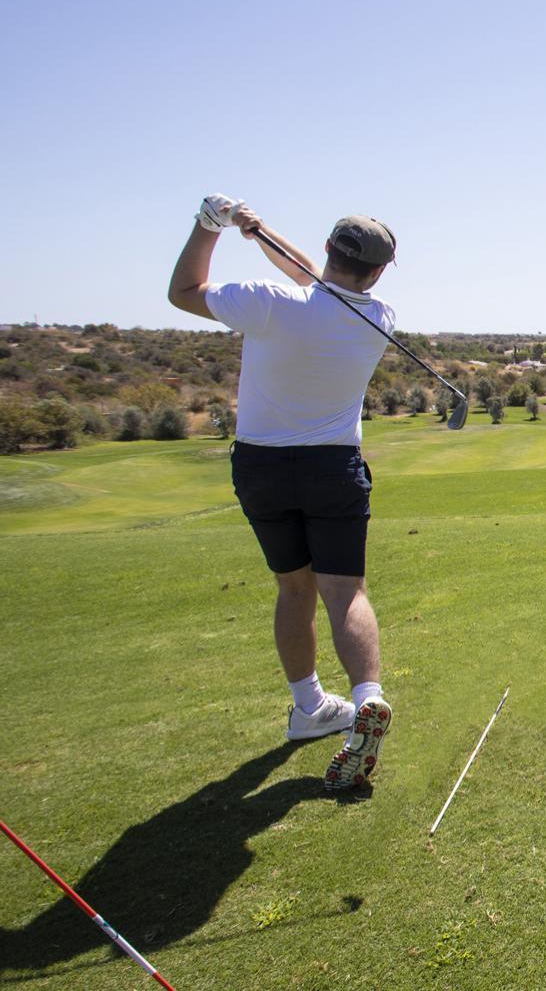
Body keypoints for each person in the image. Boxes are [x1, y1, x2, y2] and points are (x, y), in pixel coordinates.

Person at [167, 194, 397, 789]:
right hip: (334, 469)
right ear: (378, 272)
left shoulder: (267, 304)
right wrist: (262, 233)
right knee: (344, 591)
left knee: (293, 588)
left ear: (327, 250)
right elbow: (325, 286)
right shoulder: (379, 319)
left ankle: (308, 707)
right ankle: (366, 696)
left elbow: (185, 292)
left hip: (262, 468)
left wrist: (210, 226)